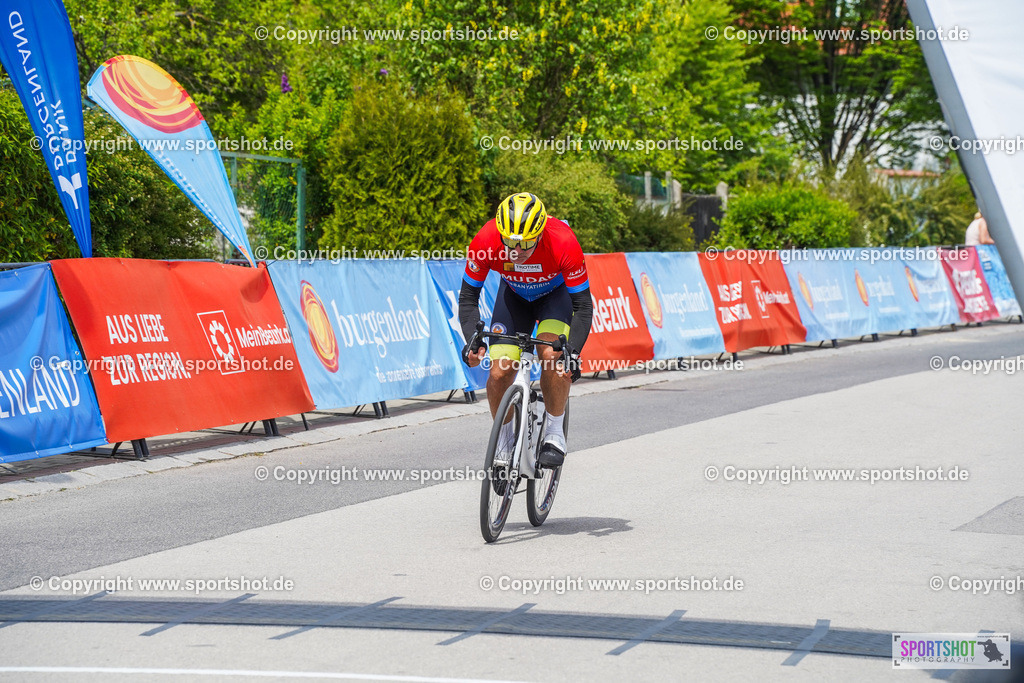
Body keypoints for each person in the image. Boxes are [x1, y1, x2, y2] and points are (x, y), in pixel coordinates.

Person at [459, 193, 593, 468]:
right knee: (499, 373)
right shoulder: (486, 240)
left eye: (527, 243)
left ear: (541, 233)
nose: (517, 250)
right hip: (514, 297)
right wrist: (472, 339)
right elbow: (468, 298)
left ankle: (554, 432)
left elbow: (583, 306)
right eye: (510, 242)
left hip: (554, 298)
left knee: (551, 356)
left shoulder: (563, 241)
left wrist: (573, 352)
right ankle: (505, 440)